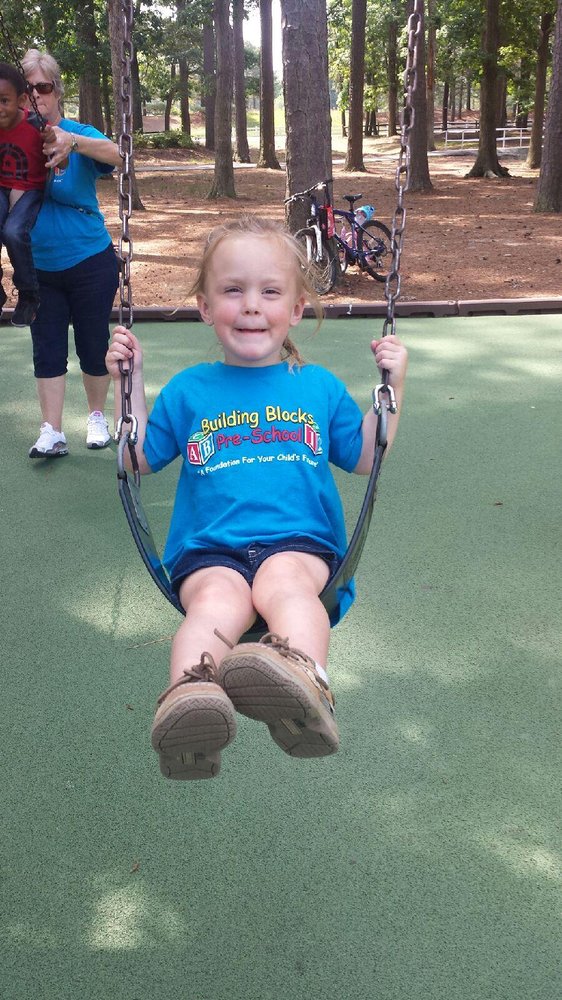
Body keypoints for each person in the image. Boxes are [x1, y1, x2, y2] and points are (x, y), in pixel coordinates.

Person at [106, 216, 408, 782]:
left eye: (270, 292)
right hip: (209, 549)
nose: (251, 306)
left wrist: (393, 388)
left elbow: (366, 456)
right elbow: (136, 458)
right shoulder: (189, 388)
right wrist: (132, 383)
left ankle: (301, 683)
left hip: (298, 542)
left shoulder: (316, 386)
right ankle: (190, 703)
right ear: (204, 305)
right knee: (213, 606)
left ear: (295, 309)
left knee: (284, 586)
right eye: (232, 290)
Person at [21, 49, 122, 459]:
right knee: (46, 347)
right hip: (38, 266)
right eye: (26, 90)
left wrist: (72, 142)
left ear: (56, 91)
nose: (36, 97)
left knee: (93, 342)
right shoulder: (12, 143)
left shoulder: (78, 132)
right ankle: (52, 430)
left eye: (42, 88)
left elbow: (118, 154)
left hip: (89, 261)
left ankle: (97, 417)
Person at [0, 62, 49, 326]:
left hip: (31, 188)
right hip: (2, 185)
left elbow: (56, 151)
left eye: (4, 100)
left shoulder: (35, 125)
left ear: (20, 100)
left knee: (14, 232)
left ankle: (29, 295)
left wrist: (53, 142)